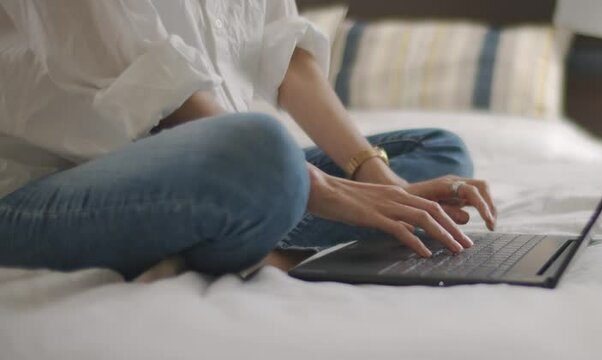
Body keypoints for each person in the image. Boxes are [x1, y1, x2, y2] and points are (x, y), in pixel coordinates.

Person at [0, 0, 497, 280]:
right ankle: (258, 224)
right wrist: (326, 190)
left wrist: (380, 179)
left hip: (216, 169)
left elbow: (284, 51)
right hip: (45, 188)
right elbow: (151, 87)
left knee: (436, 150)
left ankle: (252, 227)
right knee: (262, 149)